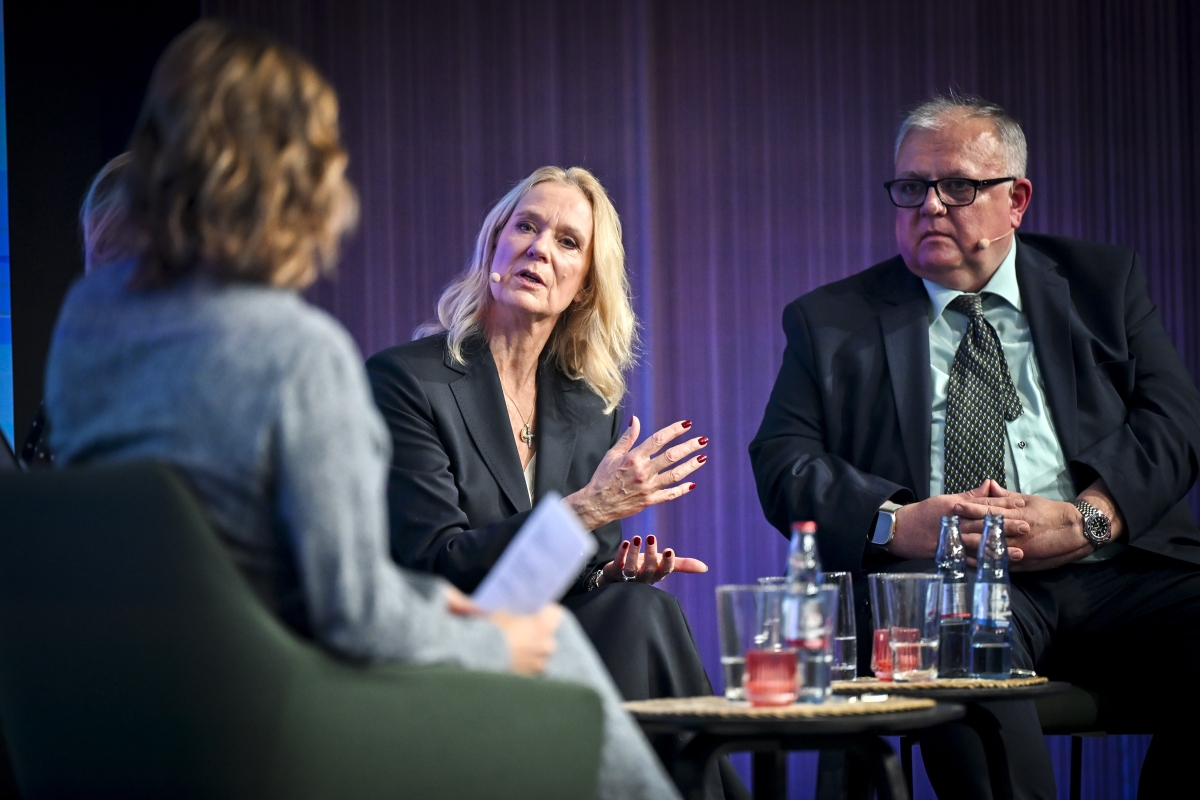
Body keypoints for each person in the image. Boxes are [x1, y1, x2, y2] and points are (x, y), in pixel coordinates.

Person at [43, 21, 680, 800]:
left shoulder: (86, 331)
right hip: (284, 712)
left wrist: (441, 600)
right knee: (560, 655)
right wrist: (495, 637)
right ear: (289, 183)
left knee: (625, 624)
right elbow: (355, 617)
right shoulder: (301, 353)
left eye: (566, 241)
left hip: (141, 700)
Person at [749, 93, 1200, 798]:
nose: (929, 205)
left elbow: (1174, 423)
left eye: (957, 186)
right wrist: (898, 523)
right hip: (947, 586)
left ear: (1015, 199)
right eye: (910, 188)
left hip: (1116, 572)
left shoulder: (1101, 285)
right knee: (942, 633)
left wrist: (1089, 517)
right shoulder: (832, 320)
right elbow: (783, 462)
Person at [367, 166, 747, 800]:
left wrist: (613, 573)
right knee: (636, 621)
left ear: (585, 287)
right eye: (526, 226)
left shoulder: (585, 406)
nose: (540, 247)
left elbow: (581, 577)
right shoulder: (407, 382)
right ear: (494, 246)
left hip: (557, 640)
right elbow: (435, 564)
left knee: (641, 604)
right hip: (457, 645)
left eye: (568, 241)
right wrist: (589, 507)